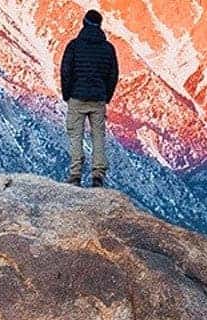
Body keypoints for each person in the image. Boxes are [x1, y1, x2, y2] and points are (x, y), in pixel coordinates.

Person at [60, 10, 119, 187]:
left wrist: (67, 94)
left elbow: (66, 72)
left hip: (77, 97)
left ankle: (75, 174)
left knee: (75, 135)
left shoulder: (74, 46)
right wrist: (106, 96)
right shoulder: (108, 48)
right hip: (98, 98)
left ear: (84, 23)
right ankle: (98, 174)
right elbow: (113, 75)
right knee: (98, 136)